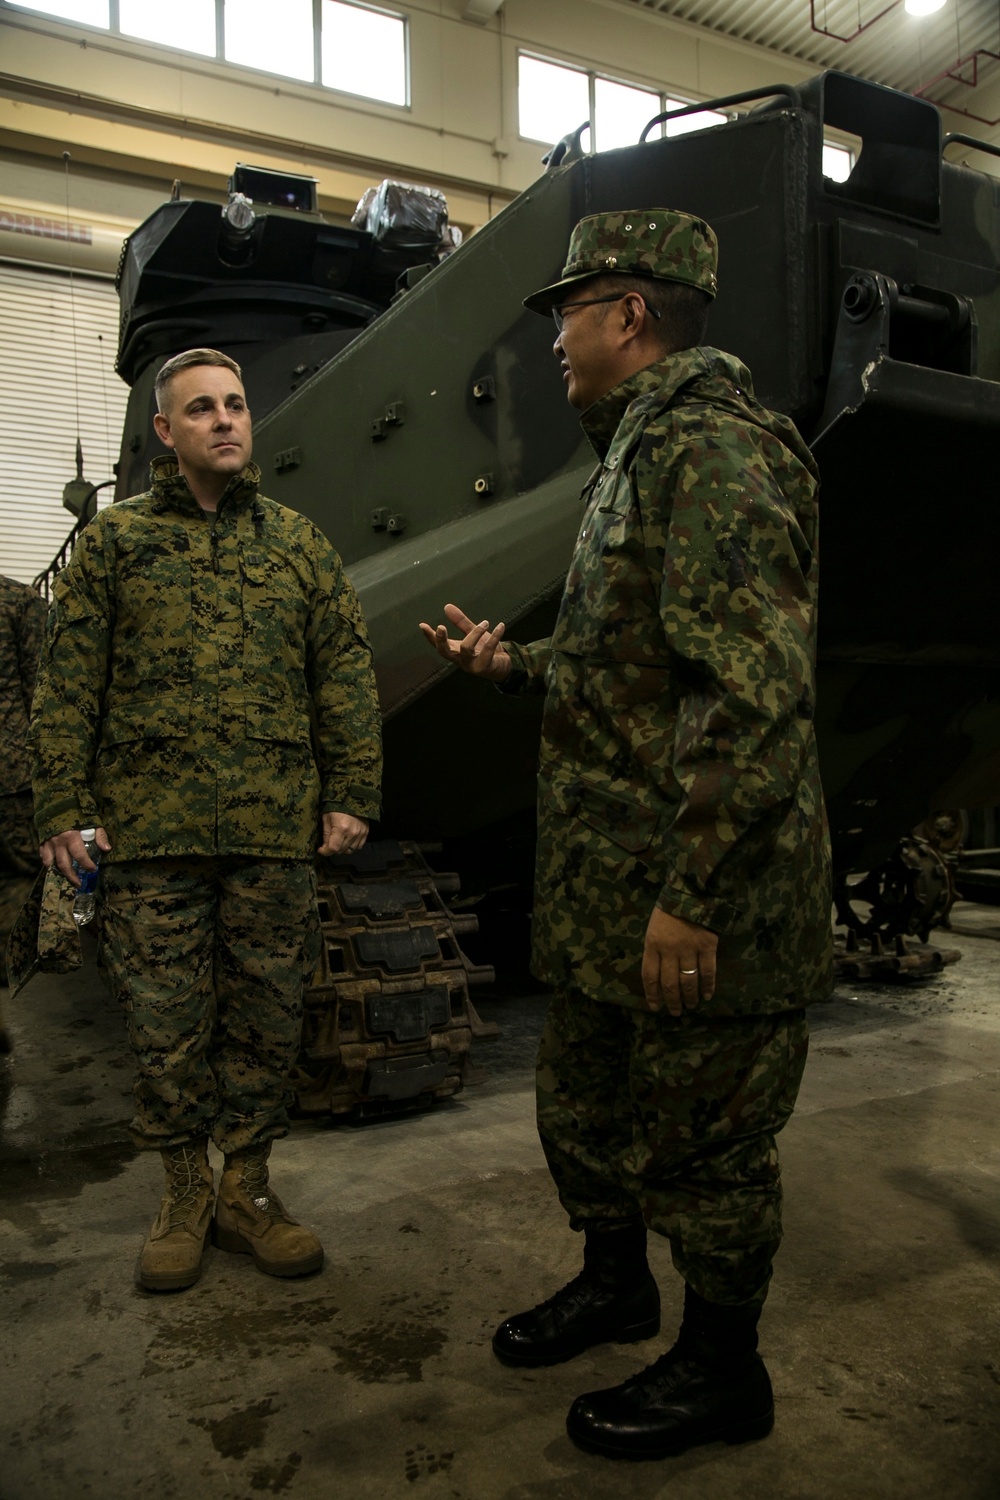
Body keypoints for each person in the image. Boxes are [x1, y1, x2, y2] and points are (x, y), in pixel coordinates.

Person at [420, 210, 832, 1461]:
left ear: (630, 316)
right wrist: (514, 667)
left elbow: (754, 694)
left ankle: (722, 1369)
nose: (553, 337)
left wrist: (692, 893)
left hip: (703, 889)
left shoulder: (714, 453)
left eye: (567, 310)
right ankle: (617, 1284)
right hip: (611, 883)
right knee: (586, 1108)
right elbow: (631, 669)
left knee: (707, 1143)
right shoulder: (637, 454)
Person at [30, 348, 382, 1292]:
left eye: (235, 404)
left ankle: (250, 1192)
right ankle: (185, 1193)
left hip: (273, 832)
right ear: (165, 433)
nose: (225, 421)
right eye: (201, 410)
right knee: (164, 1025)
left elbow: (343, 673)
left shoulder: (299, 545)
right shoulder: (115, 545)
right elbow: (67, 688)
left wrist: (352, 790)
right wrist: (64, 805)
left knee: (268, 1021)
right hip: (152, 837)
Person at [0, 574, 48, 1042]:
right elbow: (44, 691)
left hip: (12, 777)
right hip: (12, 775)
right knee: (20, 880)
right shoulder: (18, 601)